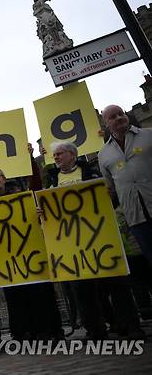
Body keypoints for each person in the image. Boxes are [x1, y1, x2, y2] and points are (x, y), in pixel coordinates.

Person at [39, 141, 145, 340]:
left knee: (116, 284)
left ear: (72, 154)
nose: (56, 158)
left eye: (60, 154)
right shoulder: (52, 180)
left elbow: (112, 197)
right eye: (55, 155)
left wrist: (109, 195)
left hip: (100, 237)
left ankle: (131, 326)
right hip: (72, 243)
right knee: (83, 290)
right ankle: (95, 330)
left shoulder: (93, 173)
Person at [0, 165, 63, 341]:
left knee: (40, 294)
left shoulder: (22, 195)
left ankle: (50, 331)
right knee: (15, 298)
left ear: (4, 178)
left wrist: (38, 212)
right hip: (7, 260)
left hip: (31, 253)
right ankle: (23, 334)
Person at [99, 104, 152, 266]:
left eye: (120, 114)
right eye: (112, 117)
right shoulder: (103, 154)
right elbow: (110, 186)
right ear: (105, 124)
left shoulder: (148, 135)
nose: (119, 118)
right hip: (135, 217)